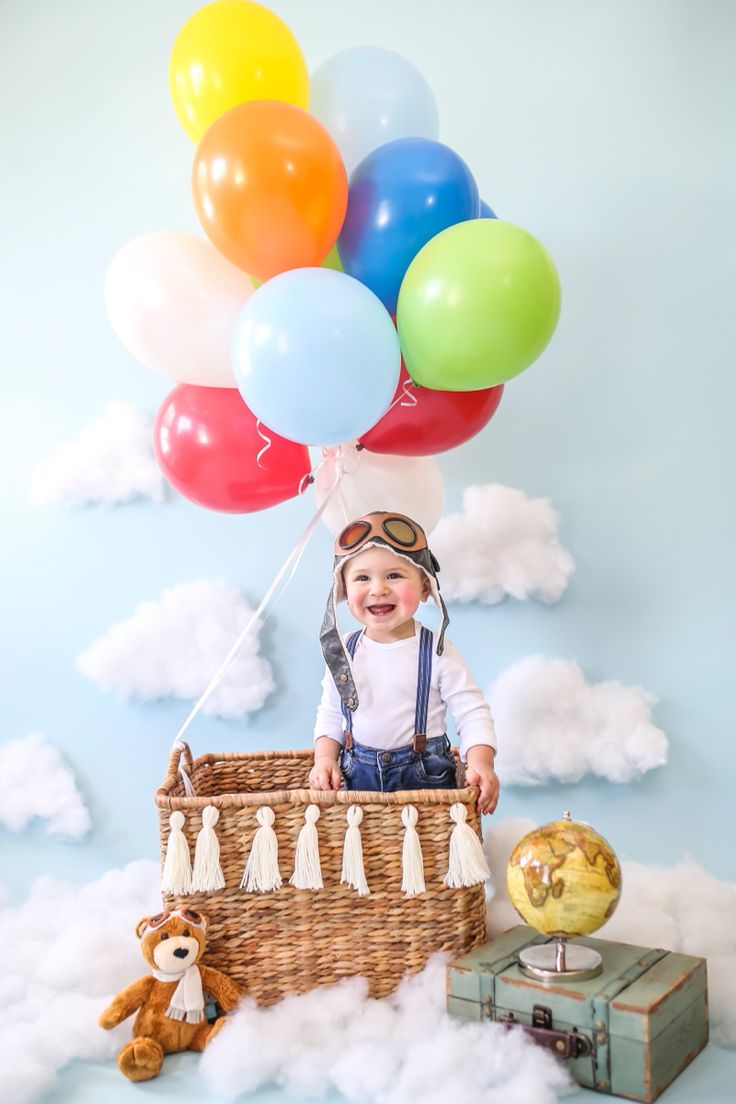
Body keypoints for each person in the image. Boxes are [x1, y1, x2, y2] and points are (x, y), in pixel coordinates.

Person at [309, 511, 499, 814]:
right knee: (365, 857)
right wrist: (325, 760)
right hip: (356, 778)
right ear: (343, 589)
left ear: (425, 587)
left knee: (430, 857)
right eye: (362, 577)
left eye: (394, 575)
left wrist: (480, 763)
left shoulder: (436, 650)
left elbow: (472, 712)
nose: (378, 588)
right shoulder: (344, 649)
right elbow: (332, 712)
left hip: (426, 779)